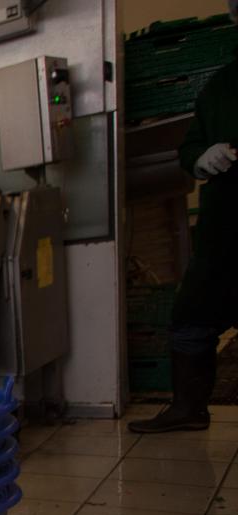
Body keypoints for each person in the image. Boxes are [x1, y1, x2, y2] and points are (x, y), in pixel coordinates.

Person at [131, 0, 238, 434]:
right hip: (224, 227)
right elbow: (189, 148)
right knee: (191, 316)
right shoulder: (220, 87)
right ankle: (188, 409)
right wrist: (201, 159)